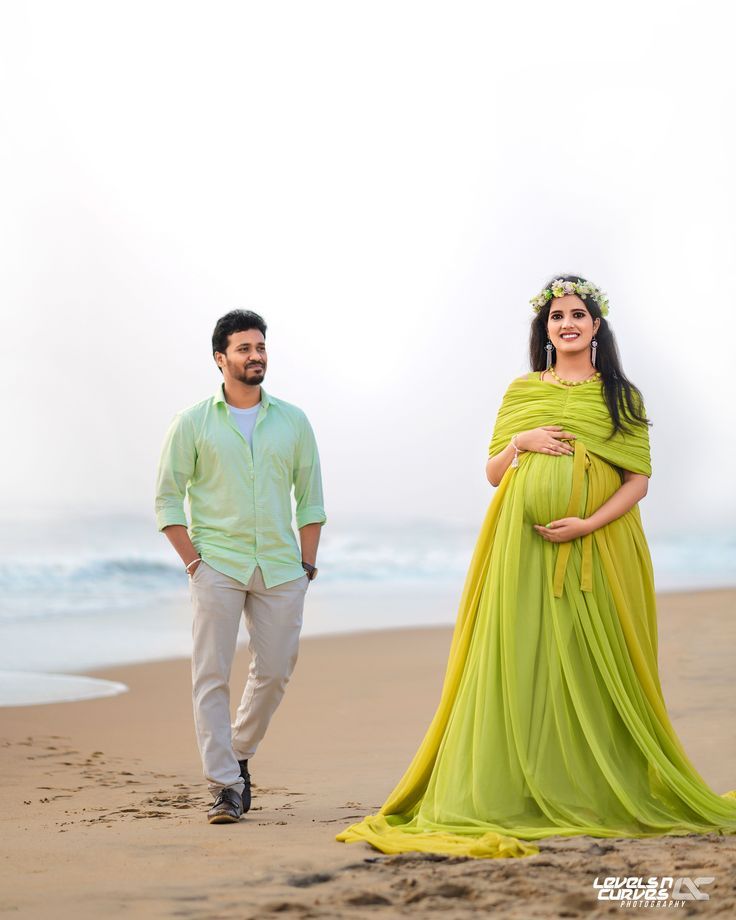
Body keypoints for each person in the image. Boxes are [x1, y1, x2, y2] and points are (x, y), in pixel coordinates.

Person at [337, 275, 736, 859]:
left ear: (596, 326)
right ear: (544, 329)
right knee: (523, 658)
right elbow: (493, 474)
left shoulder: (621, 396)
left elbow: (639, 482)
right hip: (518, 548)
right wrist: (519, 441)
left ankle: (594, 788)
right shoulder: (522, 391)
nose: (566, 323)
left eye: (577, 314)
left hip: (601, 546)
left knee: (595, 662)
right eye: (556, 317)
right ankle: (521, 785)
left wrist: (587, 523)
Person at [155, 309, 326, 824]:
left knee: (274, 671)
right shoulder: (192, 423)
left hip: (280, 567)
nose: (256, 356)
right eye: (244, 349)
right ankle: (225, 787)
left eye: (261, 347)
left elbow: (311, 500)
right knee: (211, 675)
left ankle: (238, 753)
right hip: (218, 565)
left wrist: (307, 567)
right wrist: (195, 565)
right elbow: (167, 501)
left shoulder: (293, 421)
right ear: (220, 359)